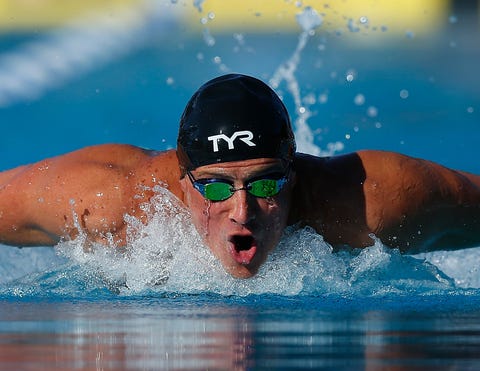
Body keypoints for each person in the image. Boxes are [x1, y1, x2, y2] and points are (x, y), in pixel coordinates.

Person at [0, 73, 479, 278]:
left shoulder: (369, 203)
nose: (242, 210)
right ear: (182, 178)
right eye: (214, 187)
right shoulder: (107, 204)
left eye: (267, 183)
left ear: (293, 171)